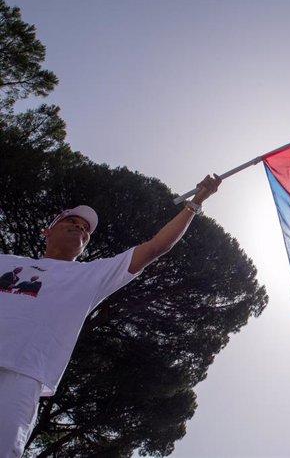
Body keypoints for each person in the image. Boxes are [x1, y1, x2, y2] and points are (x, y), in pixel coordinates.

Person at [0, 174, 221, 458]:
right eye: (71, 222)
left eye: (85, 229)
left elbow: (155, 248)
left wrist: (195, 203)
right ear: (47, 231)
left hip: (23, 374)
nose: (79, 228)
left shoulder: (89, 276)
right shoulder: (6, 262)